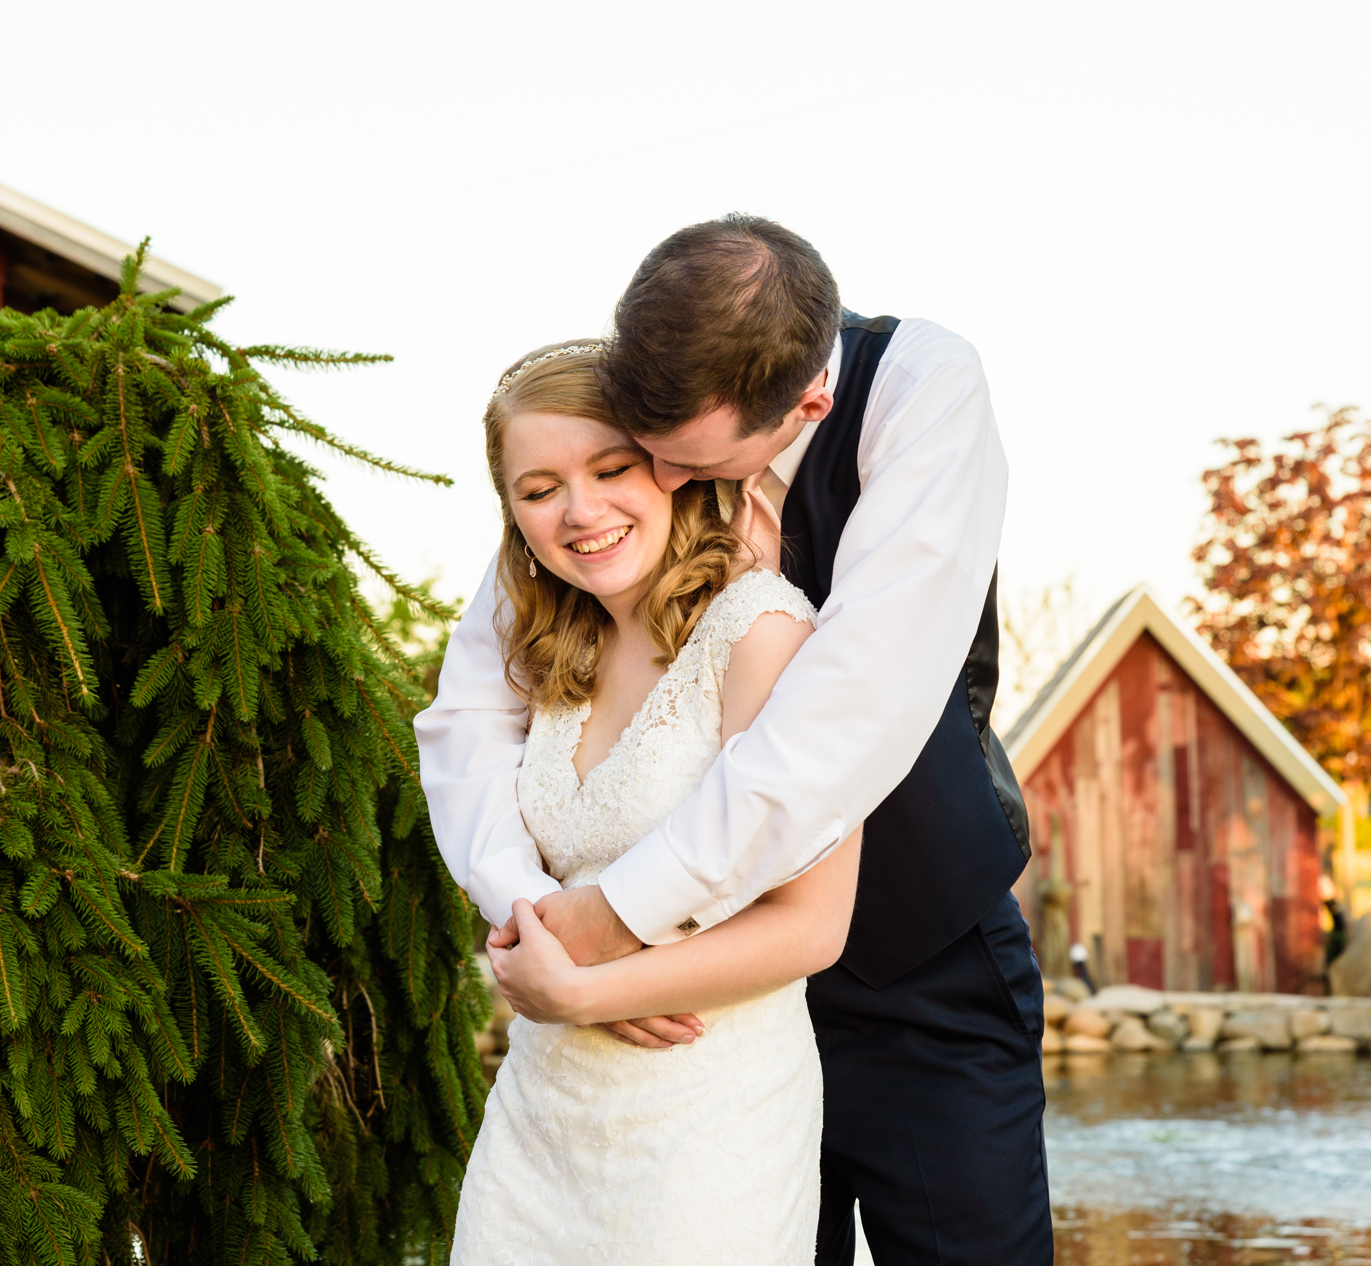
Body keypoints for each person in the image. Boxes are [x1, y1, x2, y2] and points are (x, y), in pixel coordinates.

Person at [418, 215, 1050, 1264]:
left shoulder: (920, 394)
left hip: (910, 959)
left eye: (675, 464)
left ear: (806, 404)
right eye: (638, 451)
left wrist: (616, 925)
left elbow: (846, 714)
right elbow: (474, 701)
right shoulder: (645, 418)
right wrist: (528, 912)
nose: (653, 485)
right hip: (670, 1041)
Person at [444, 341, 861, 1262]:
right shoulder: (548, 649)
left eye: (611, 468)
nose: (580, 510)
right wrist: (555, 973)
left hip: (707, 1126)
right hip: (537, 1125)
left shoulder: (763, 631)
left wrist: (586, 990)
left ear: (672, 469)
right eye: (539, 487)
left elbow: (811, 926)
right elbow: (484, 810)